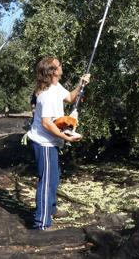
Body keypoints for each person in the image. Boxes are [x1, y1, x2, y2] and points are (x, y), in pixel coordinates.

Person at [26, 57, 90, 230]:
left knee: (53, 178)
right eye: (59, 65)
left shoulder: (56, 86)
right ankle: (42, 222)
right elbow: (47, 123)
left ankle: (51, 209)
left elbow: (69, 97)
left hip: (52, 141)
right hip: (44, 143)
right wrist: (66, 137)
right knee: (46, 181)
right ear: (52, 71)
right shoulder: (45, 95)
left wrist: (81, 84)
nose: (62, 66)